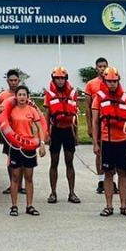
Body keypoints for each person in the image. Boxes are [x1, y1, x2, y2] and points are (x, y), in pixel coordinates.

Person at [92, 66, 126, 217]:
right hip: (107, 141)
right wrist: (96, 143)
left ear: (118, 81)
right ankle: (108, 206)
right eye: (109, 81)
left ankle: (124, 206)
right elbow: (95, 122)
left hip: (122, 141)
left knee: (123, 174)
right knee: (108, 174)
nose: (112, 84)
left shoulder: (125, 98)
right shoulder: (99, 98)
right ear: (104, 81)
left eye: (114, 81)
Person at [41, 67, 81, 204]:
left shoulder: (72, 93)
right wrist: (46, 134)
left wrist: (76, 134)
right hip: (56, 131)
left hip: (68, 130)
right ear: (53, 79)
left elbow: (75, 116)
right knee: (54, 162)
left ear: (66, 79)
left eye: (62, 78)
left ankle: (72, 192)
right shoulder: (49, 94)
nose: (60, 81)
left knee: (70, 162)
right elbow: (46, 115)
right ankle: (53, 192)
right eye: (57, 78)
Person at [3, 84, 43, 216]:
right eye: (19, 94)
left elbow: (40, 127)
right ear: (16, 96)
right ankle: (14, 206)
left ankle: (29, 206)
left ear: (28, 97)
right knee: (15, 177)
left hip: (29, 147)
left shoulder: (32, 110)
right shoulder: (11, 110)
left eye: (24, 95)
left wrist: (41, 144)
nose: (22, 97)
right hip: (15, 147)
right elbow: (3, 121)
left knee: (29, 178)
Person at [84, 58, 116, 197]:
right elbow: (87, 108)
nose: (102, 69)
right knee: (100, 152)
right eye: (100, 66)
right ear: (96, 68)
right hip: (98, 123)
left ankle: (111, 181)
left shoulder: (114, 83)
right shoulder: (91, 84)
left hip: (112, 126)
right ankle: (101, 180)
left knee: (112, 154)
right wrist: (90, 126)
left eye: (104, 66)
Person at [0, 68, 23, 195]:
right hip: (7, 132)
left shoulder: (22, 94)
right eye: (11, 80)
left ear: (19, 81)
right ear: (7, 81)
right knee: (10, 158)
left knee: (22, 158)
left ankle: (20, 185)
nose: (13, 83)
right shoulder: (3, 96)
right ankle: (12, 184)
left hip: (21, 131)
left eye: (15, 80)